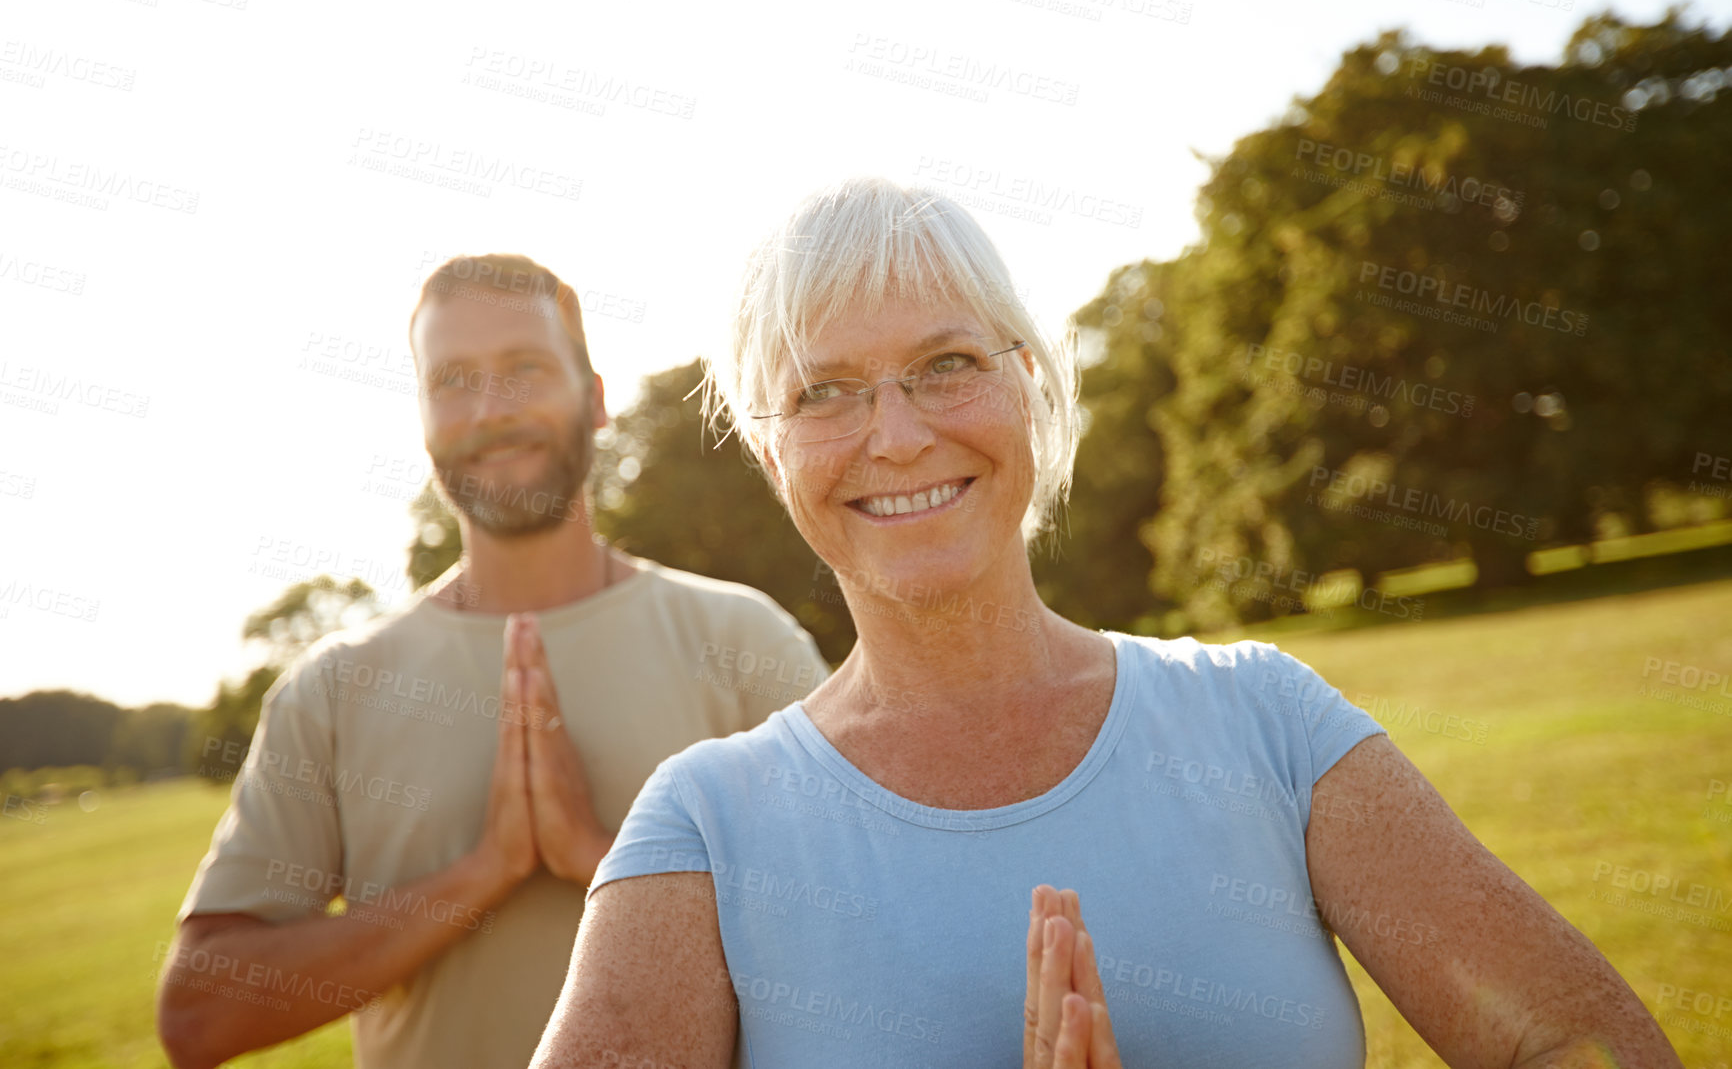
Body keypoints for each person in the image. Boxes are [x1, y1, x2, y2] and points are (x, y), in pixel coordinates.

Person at [529, 181, 1683, 1068]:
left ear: (1028, 384)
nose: (896, 433)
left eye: (945, 363)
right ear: (771, 446)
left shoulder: (1265, 721)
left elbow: (1573, 1044)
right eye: (825, 389)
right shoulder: (706, 826)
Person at [156, 253, 829, 1069]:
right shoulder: (332, 689)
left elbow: (862, 941)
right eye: (451, 380)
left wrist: (596, 856)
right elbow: (197, 1019)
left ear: (597, 398)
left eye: (525, 368)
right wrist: (483, 873)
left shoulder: (745, 642)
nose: (489, 409)